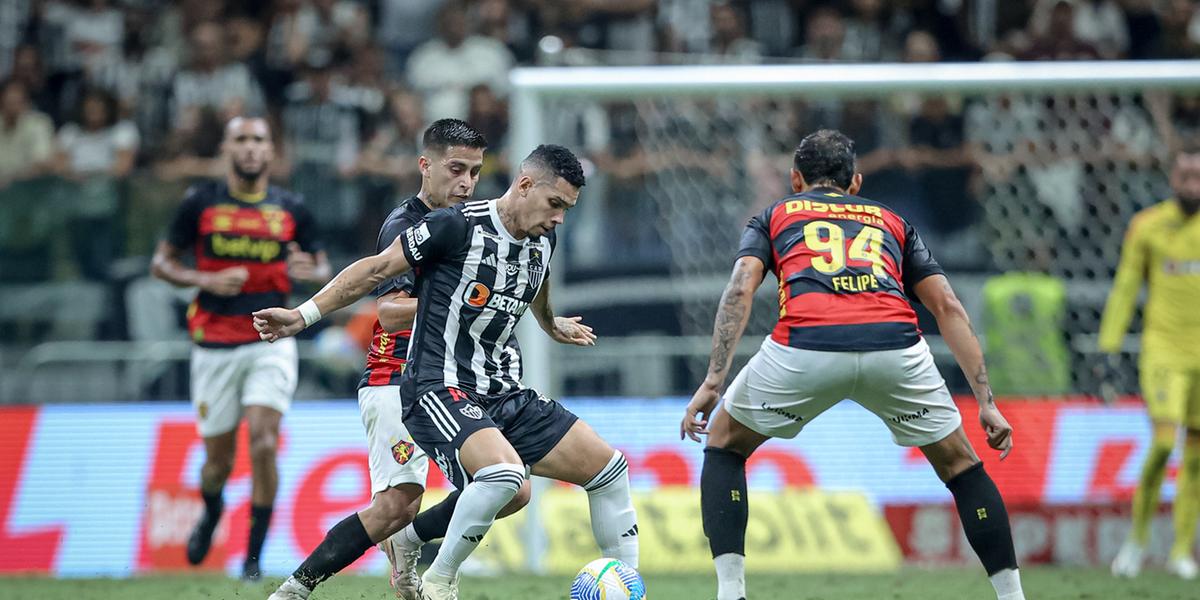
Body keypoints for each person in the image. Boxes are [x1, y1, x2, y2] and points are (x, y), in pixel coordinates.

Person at [257, 144, 639, 600]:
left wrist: (550, 322)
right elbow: (375, 271)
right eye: (555, 204)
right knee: (496, 478)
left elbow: (535, 279)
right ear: (524, 185)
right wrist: (302, 316)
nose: (559, 218)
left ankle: (628, 589)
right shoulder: (454, 226)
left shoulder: (543, 237)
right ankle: (437, 582)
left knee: (608, 470)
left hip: (502, 390)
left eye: (567, 209)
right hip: (439, 387)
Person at [681, 129, 1024, 600]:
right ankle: (1011, 596)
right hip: (896, 348)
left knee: (724, 446)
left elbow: (740, 288)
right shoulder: (892, 221)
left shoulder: (776, 214)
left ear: (795, 179)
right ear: (856, 182)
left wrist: (713, 381)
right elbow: (947, 306)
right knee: (962, 466)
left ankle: (731, 593)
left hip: (807, 346)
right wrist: (985, 401)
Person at [270, 118, 531, 600]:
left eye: (475, 172)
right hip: (396, 378)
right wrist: (465, 298)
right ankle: (294, 590)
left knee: (512, 489)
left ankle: (407, 549)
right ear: (425, 166)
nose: (466, 182)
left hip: (454, 382)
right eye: (456, 169)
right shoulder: (406, 225)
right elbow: (388, 313)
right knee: (396, 506)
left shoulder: (473, 221)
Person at [150, 116, 331, 580]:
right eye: (241, 140)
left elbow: (320, 265)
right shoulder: (200, 203)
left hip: (271, 337)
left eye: (259, 140)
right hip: (212, 341)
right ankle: (211, 510)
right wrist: (205, 278)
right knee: (218, 463)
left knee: (265, 443)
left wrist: (307, 269)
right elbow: (162, 263)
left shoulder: (292, 207)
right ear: (226, 150)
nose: (251, 148)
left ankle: (252, 560)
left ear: (271, 151)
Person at [1104, 148, 1200, 580]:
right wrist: (1109, 348)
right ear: (1172, 176)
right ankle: (1137, 542)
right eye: (1185, 173)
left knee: (1196, 457)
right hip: (1163, 352)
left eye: (1199, 175)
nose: (1192, 182)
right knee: (1164, 444)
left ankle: (1181, 550)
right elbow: (1126, 288)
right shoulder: (1147, 226)